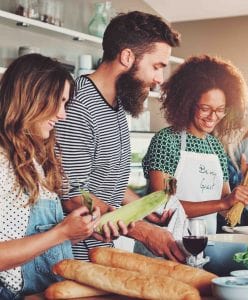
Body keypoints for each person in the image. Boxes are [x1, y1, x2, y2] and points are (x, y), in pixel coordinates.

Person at [55, 11, 186, 262]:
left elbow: (105, 178)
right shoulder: (78, 106)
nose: (159, 79)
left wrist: (143, 209)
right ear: (127, 56)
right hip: (72, 259)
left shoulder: (115, 106)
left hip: (100, 254)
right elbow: (73, 195)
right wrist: (145, 232)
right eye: (157, 66)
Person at [0, 54, 103, 299]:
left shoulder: (33, 160)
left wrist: (81, 229)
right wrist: (61, 233)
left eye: (65, 103)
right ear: (29, 97)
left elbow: (33, 239)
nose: (62, 114)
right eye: (56, 102)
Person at [142, 55, 248, 239]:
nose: (213, 116)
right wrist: (223, 203)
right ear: (188, 103)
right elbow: (161, 207)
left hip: (204, 244)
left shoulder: (215, 146)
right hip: (163, 245)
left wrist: (242, 197)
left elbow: (225, 208)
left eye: (220, 109)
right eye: (205, 108)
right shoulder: (167, 140)